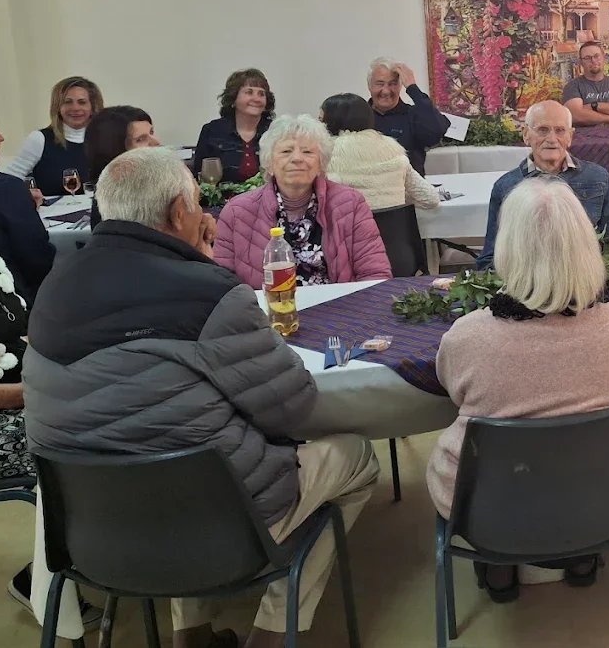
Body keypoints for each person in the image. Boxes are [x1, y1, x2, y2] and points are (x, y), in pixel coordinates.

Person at [23, 147, 380, 648]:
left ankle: (190, 633)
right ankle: (275, 630)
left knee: (179, 438)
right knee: (357, 456)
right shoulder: (206, 292)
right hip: (218, 525)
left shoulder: (55, 285)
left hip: (90, 529)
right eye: (196, 204)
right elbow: (293, 405)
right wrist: (210, 274)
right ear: (178, 213)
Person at [428, 178, 609, 600]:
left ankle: (499, 568)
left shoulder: (467, 336)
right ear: (587, 246)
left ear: (507, 249)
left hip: (488, 510)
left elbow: (453, 393)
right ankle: (582, 556)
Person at [0, 193, 102, 632]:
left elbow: (19, 326)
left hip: (28, 387)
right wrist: (38, 390)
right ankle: (47, 579)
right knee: (90, 432)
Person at [215, 115, 392, 288]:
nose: (297, 158)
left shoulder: (351, 204)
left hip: (339, 305)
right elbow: (224, 286)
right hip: (267, 307)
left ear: (321, 163)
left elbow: (375, 274)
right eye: (286, 151)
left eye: (307, 152)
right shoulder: (236, 211)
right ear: (269, 163)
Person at [477, 100, 609, 268]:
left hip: (584, 279)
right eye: (543, 130)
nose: (552, 139)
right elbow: (491, 257)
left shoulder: (597, 178)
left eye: (560, 130)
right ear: (526, 134)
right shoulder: (506, 187)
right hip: (526, 281)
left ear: (570, 136)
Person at [0, 103, 55, 301]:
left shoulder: (8, 189)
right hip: (12, 303)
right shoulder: (5, 189)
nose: (1, 138)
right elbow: (38, 259)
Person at [321, 92, 442, 213]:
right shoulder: (393, 151)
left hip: (351, 225)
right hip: (395, 225)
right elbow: (430, 199)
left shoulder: (325, 157)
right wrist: (396, 197)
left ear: (331, 123)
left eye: (321, 120)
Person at [1, 76, 103, 195]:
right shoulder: (39, 139)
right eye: (67, 102)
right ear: (57, 107)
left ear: (93, 107)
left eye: (82, 102)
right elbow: (9, 182)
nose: (75, 108)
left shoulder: (104, 140)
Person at [192, 68, 274, 185]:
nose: (256, 99)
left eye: (261, 94)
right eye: (249, 92)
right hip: (222, 196)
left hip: (267, 196)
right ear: (233, 98)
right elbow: (199, 177)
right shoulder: (212, 131)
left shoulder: (275, 132)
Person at [368, 58, 451, 172]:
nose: (386, 91)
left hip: (408, 183)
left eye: (393, 84)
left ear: (400, 86)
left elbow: (436, 133)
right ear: (369, 86)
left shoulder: (412, 115)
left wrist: (412, 88)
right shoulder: (358, 116)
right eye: (379, 84)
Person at [86, 105, 162, 228]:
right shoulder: (116, 199)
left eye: (151, 133)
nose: (157, 142)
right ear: (115, 150)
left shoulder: (157, 180)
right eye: (141, 139)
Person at [562, 41, 609, 127]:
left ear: (604, 58)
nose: (593, 60)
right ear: (581, 62)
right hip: (586, 135)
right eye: (587, 58)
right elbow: (575, 115)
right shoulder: (573, 86)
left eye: (596, 56)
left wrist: (594, 106)